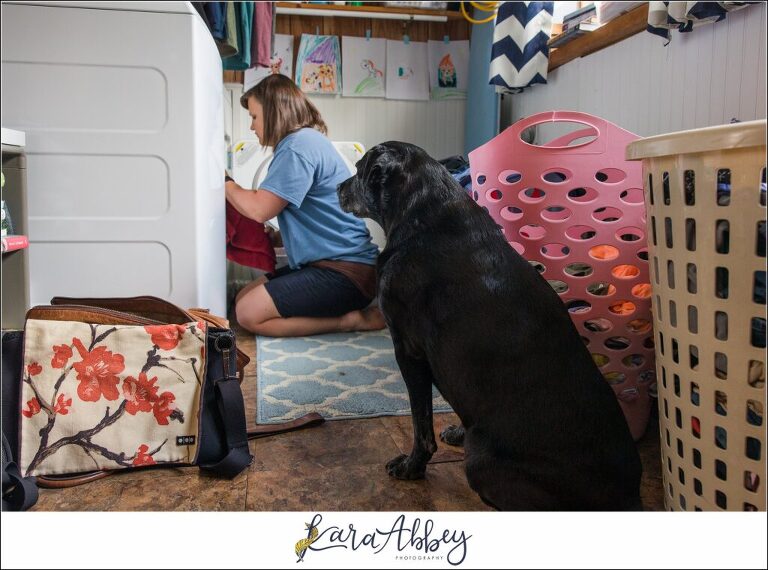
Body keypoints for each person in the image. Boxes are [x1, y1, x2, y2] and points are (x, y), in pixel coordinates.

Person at [225, 74, 386, 337]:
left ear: (274, 112)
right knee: (243, 297)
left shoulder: (296, 148)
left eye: (254, 116)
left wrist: (225, 182)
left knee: (248, 313)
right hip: (338, 266)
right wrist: (279, 236)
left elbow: (259, 209)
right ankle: (344, 313)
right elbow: (315, 213)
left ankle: (351, 321)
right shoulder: (304, 141)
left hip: (347, 274)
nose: (252, 127)